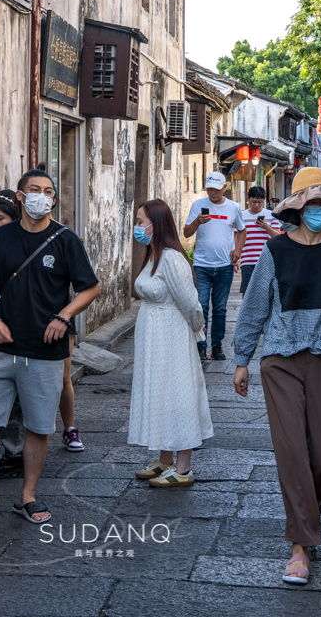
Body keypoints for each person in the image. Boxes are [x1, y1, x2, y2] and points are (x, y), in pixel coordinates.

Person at [231, 167, 321, 587]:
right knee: (293, 451)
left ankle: (307, 514)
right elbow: (255, 307)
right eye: (314, 203)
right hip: (281, 360)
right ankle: (300, 544)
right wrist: (242, 358)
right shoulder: (275, 250)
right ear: (298, 207)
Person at [0, 168, 100, 524]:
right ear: (20, 195)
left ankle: (28, 495)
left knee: (39, 425)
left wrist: (64, 316)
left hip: (45, 351)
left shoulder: (65, 240)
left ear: (54, 200)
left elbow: (90, 287)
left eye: (48, 191)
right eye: (34, 189)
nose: (41, 196)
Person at [127, 198, 213, 486]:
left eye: (140, 221)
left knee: (178, 394)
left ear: (156, 224)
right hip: (153, 334)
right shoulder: (153, 255)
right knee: (159, 393)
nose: (137, 226)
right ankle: (165, 459)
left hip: (171, 335)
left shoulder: (172, 258)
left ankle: (183, 467)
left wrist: (197, 331)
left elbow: (190, 302)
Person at [0, 191, 26, 480]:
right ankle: (12, 451)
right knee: (2, 395)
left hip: (23, 330)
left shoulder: (26, 243)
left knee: (21, 397)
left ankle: (17, 453)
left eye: (0, 217)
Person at [184, 171, 245, 361]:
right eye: (210, 189)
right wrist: (197, 222)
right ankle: (201, 345)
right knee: (201, 306)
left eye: (217, 189)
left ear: (225, 188)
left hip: (224, 265)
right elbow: (186, 233)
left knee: (220, 308)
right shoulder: (198, 205)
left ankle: (217, 345)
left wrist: (238, 250)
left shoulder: (233, 207)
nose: (213, 193)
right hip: (202, 265)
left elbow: (242, 230)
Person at [238, 186, 283, 296]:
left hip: (266, 259)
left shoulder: (271, 215)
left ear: (264, 201)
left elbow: (278, 237)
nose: (256, 205)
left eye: (260, 202)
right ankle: (246, 308)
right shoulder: (241, 216)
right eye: (253, 202)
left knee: (265, 291)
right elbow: (236, 236)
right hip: (247, 259)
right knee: (247, 291)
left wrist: (266, 227)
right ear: (248, 199)